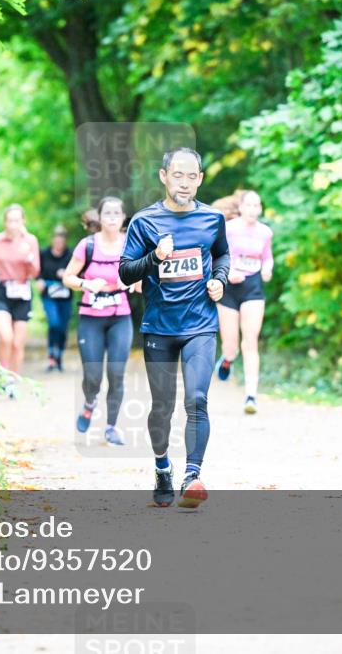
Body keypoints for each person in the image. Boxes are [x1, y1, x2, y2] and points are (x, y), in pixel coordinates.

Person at [118, 147, 229, 509]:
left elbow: (222, 254)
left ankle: (192, 476)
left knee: (197, 400)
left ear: (200, 179)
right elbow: (125, 272)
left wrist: (221, 280)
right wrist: (155, 258)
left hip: (201, 325)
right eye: (177, 175)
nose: (184, 182)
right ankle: (162, 467)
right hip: (159, 328)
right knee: (162, 407)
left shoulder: (213, 218)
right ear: (164, 176)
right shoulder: (144, 222)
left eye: (191, 176)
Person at [63, 199, 138, 446]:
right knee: (93, 376)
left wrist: (133, 281)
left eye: (117, 213)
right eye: (108, 213)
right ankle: (89, 403)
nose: (113, 217)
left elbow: (144, 277)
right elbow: (68, 277)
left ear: (123, 216)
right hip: (91, 318)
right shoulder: (88, 245)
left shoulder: (131, 244)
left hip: (120, 317)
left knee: (116, 374)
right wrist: (85, 284)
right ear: (100, 216)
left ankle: (111, 427)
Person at [215, 190, 274, 414]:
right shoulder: (229, 229)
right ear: (241, 207)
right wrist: (228, 273)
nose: (253, 210)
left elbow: (267, 256)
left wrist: (268, 268)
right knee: (231, 345)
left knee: (250, 341)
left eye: (256, 206)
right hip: (229, 288)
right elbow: (217, 254)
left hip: (252, 288)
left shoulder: (265, 232)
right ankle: (227, 359)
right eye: (248, 205)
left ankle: (251, 396)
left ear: (260, 208)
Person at [0, 204, 40, 397]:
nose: (13, 224)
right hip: (1, 290)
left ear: (23, 221)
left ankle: (13, 381)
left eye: (17, 220)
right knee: (5, 337)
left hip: (22, 292)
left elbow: (35, 271)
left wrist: (28, 256)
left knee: (17, 343)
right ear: (5, 222)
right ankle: (3, 375)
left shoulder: (30, 241)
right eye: (10, 220)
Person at [39, 225, 74, 372]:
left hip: (66, 295)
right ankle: (51, 355)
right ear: (53, 240)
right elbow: (37, 270)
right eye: (56, 240)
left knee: (63, 326)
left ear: (64, 241)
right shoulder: (44, 253)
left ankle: (59, 356)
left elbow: (80, 271)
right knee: (54, 323)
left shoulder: (70, 254)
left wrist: (67, 274)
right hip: (49, 294)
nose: (59, 243)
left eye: (61, 240)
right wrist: (39, 279)